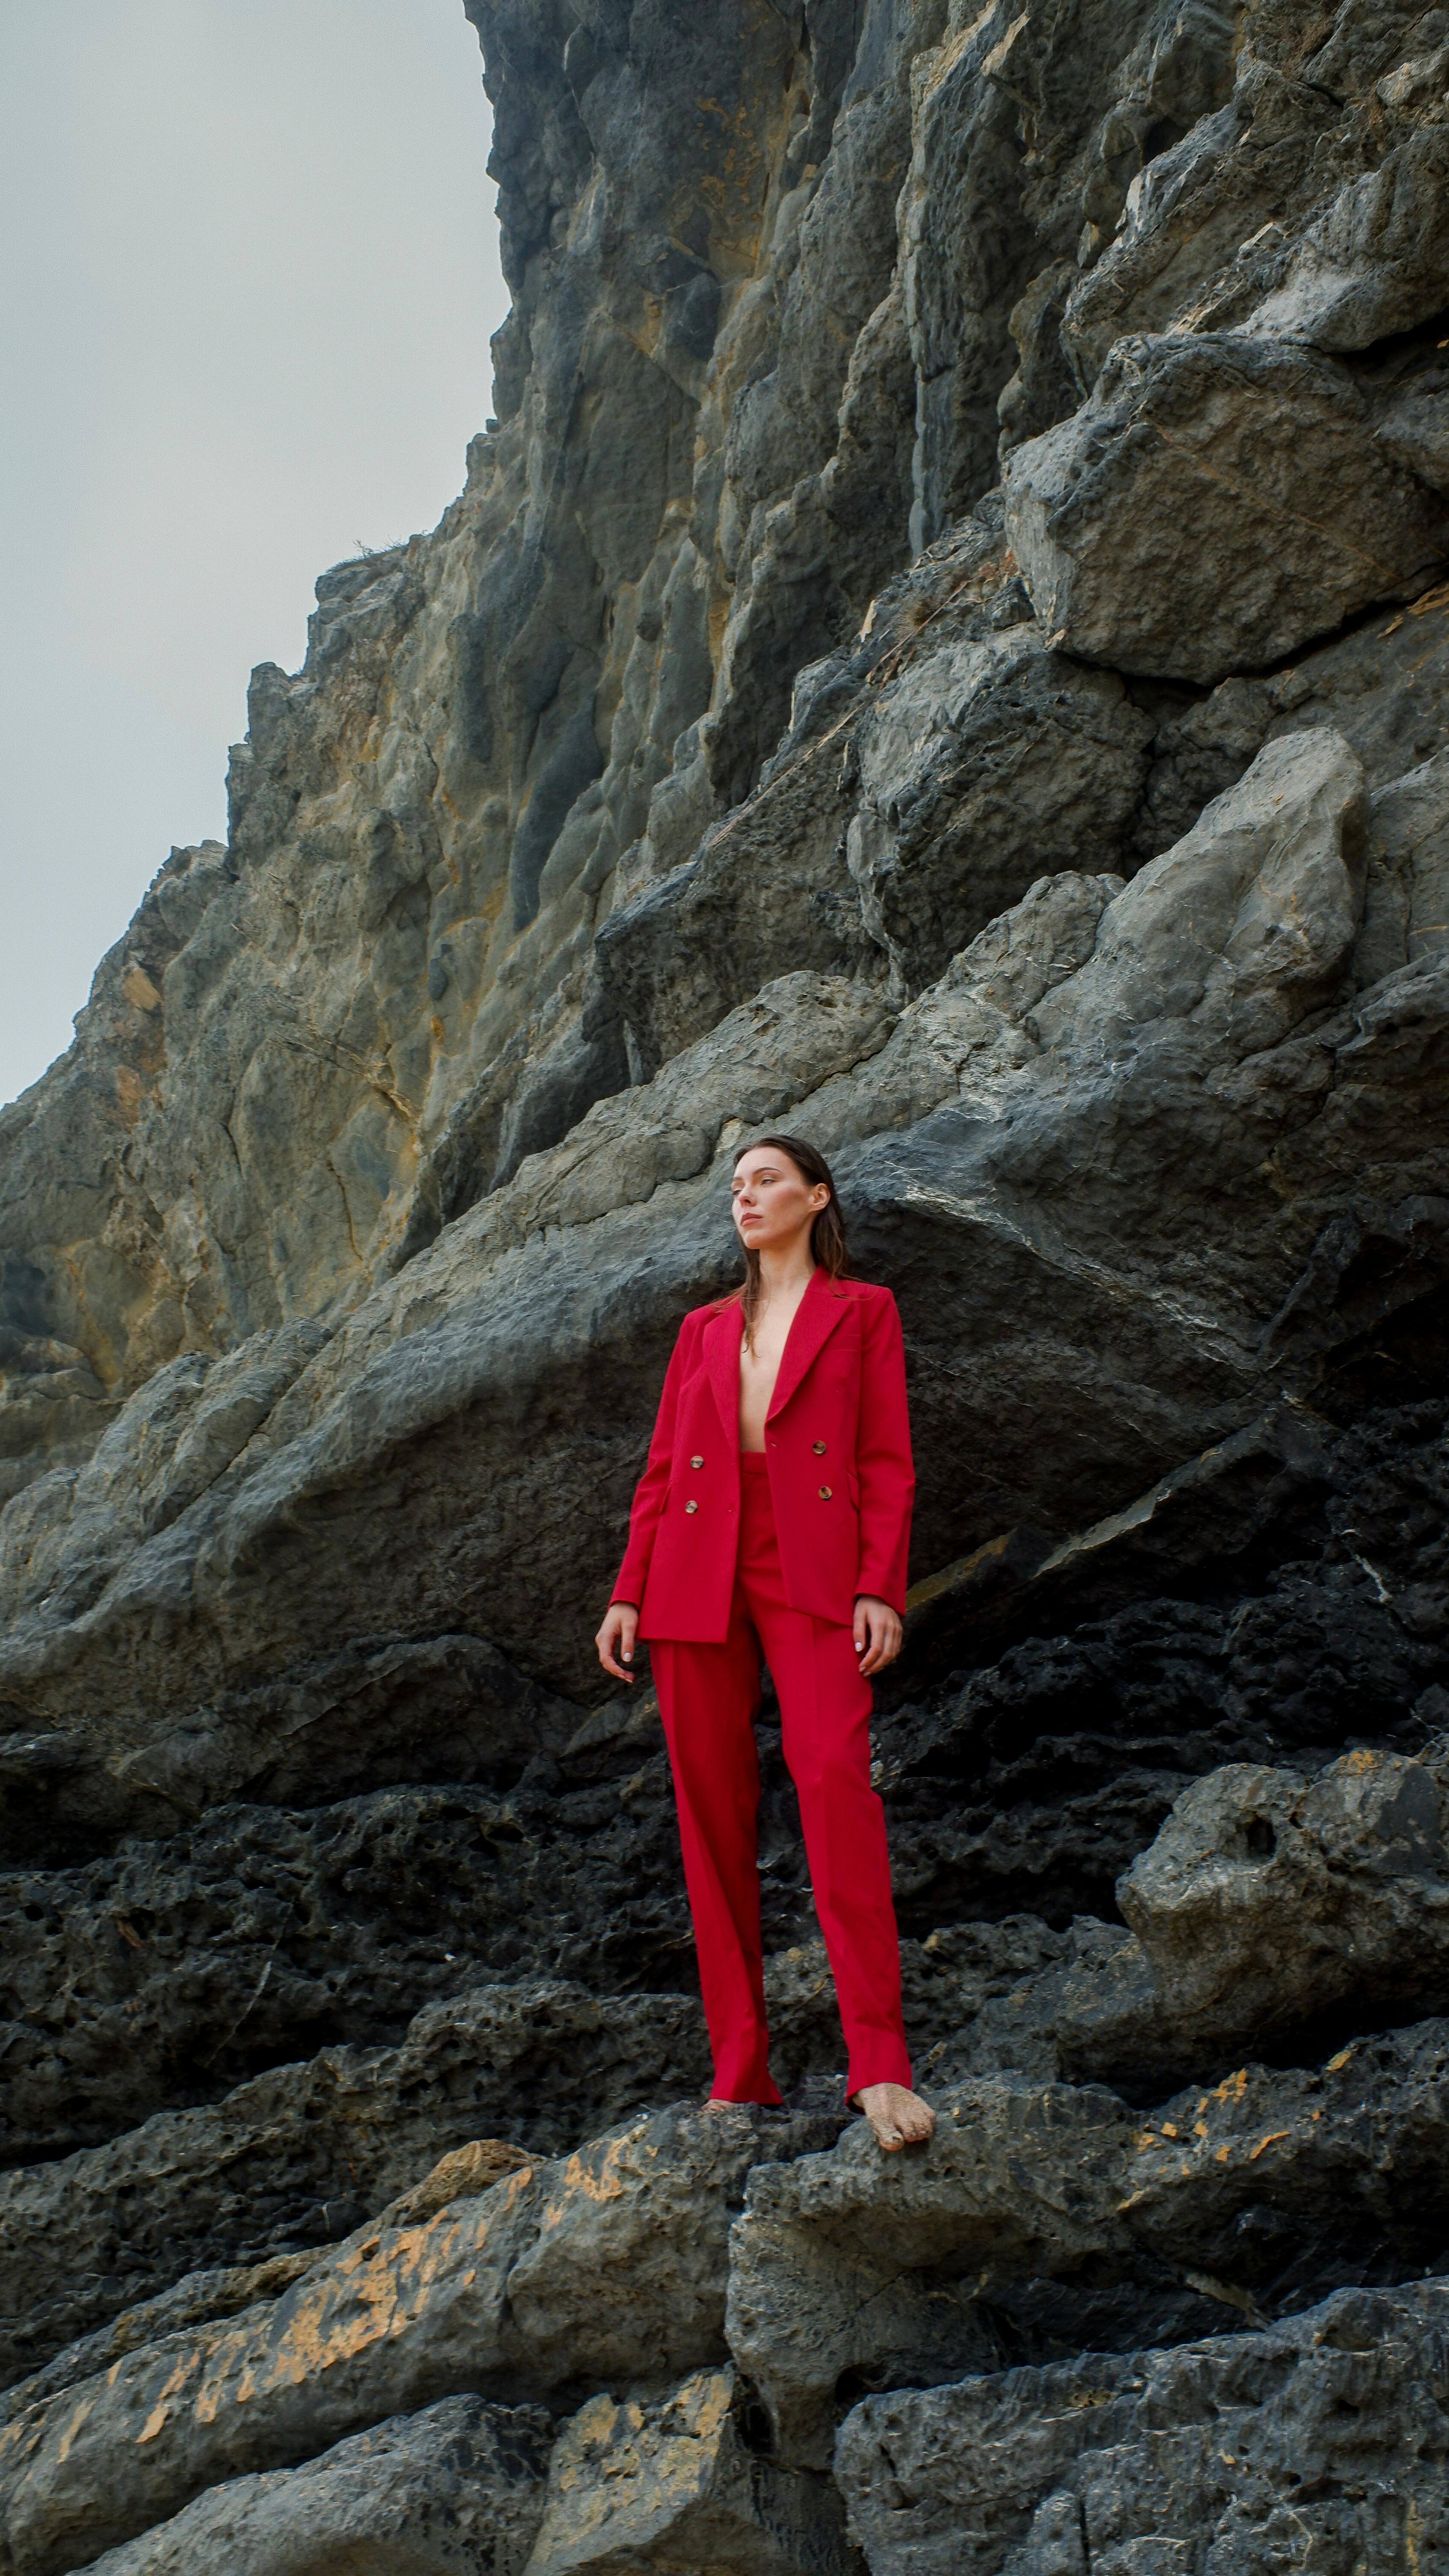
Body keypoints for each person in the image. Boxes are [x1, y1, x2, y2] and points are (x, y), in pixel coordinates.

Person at [595, 1134, 936, 2152]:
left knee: (835, 1783)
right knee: (709, 1814)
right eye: (735, 1187)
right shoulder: (701, 1327)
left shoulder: (862, 1310)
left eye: (766, 1181)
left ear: (814, 1196)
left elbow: (886, 1460)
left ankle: (878, 2066)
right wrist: (627, 1593)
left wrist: (881, 1587)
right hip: (692, 1566)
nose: (744, 1198)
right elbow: (660, 1472)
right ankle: (739, 2073)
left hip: (813, 1561)